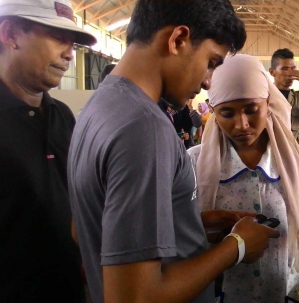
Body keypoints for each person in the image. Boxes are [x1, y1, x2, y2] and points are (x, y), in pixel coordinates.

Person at [68, 1, 280, 303]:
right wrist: (236, 246)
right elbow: (136, 297)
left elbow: (86, 229)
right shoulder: (143, 127)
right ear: (178, 40)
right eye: (210, 62)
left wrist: (184, 224)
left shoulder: (97, 109)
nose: (208, 81)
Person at [188, 54, 299, 302]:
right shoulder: (193, 165)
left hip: (284, 291)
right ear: (214, 111)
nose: (242, 125)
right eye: (227, 113)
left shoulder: (295, 163)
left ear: (268, 103)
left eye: (252, 110)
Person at [0, 0, 96, 301]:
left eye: (72, 44)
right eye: (58, 38)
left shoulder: (63, 117)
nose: (69, 54)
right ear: (11, 34)